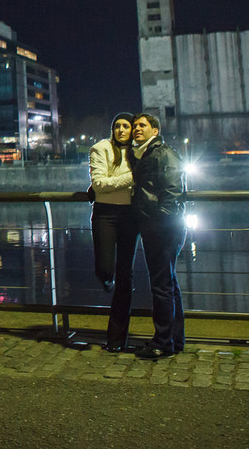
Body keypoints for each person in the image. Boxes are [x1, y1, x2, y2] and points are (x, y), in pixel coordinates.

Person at [129, 113, 187, 360]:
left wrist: (157, 223)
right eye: (134, 126)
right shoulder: (146, 154)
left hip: (163, 228)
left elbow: (173, 192)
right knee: (168, 284)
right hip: (159, 226)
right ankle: (174, 340)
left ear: (155, 130)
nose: (136, 129)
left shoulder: (163, 153)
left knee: (162, 286)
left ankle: (162, 342)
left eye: (142, 125)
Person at [88, 112, 137, 352]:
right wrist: (133, 177)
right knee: (105, 268)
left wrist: (116, 180)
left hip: (131, 216)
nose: (120, 130)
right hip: (105, 214)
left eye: (125, 126)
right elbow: (99, 184)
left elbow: (109, 183)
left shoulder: (139, 152)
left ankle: (117, 340)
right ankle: (107, 280)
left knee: (126, 278)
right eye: (117, 126)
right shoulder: (101, 148)